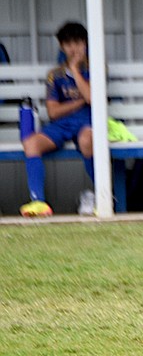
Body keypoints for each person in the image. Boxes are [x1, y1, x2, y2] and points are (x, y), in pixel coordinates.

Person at [20, 21, 94, 217]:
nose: (74, 48)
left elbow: (92, 99)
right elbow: (53, 112)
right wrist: (79, 102)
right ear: (62, 46)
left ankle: (103, 197)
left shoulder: (95, 68)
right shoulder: (55, 75)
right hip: (61, 125)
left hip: (87, 122)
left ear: (86, 43)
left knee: (88, 141)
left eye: (78, 43)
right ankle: (38, 202)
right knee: (31, 143)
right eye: (68, 44)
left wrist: (76, 70)